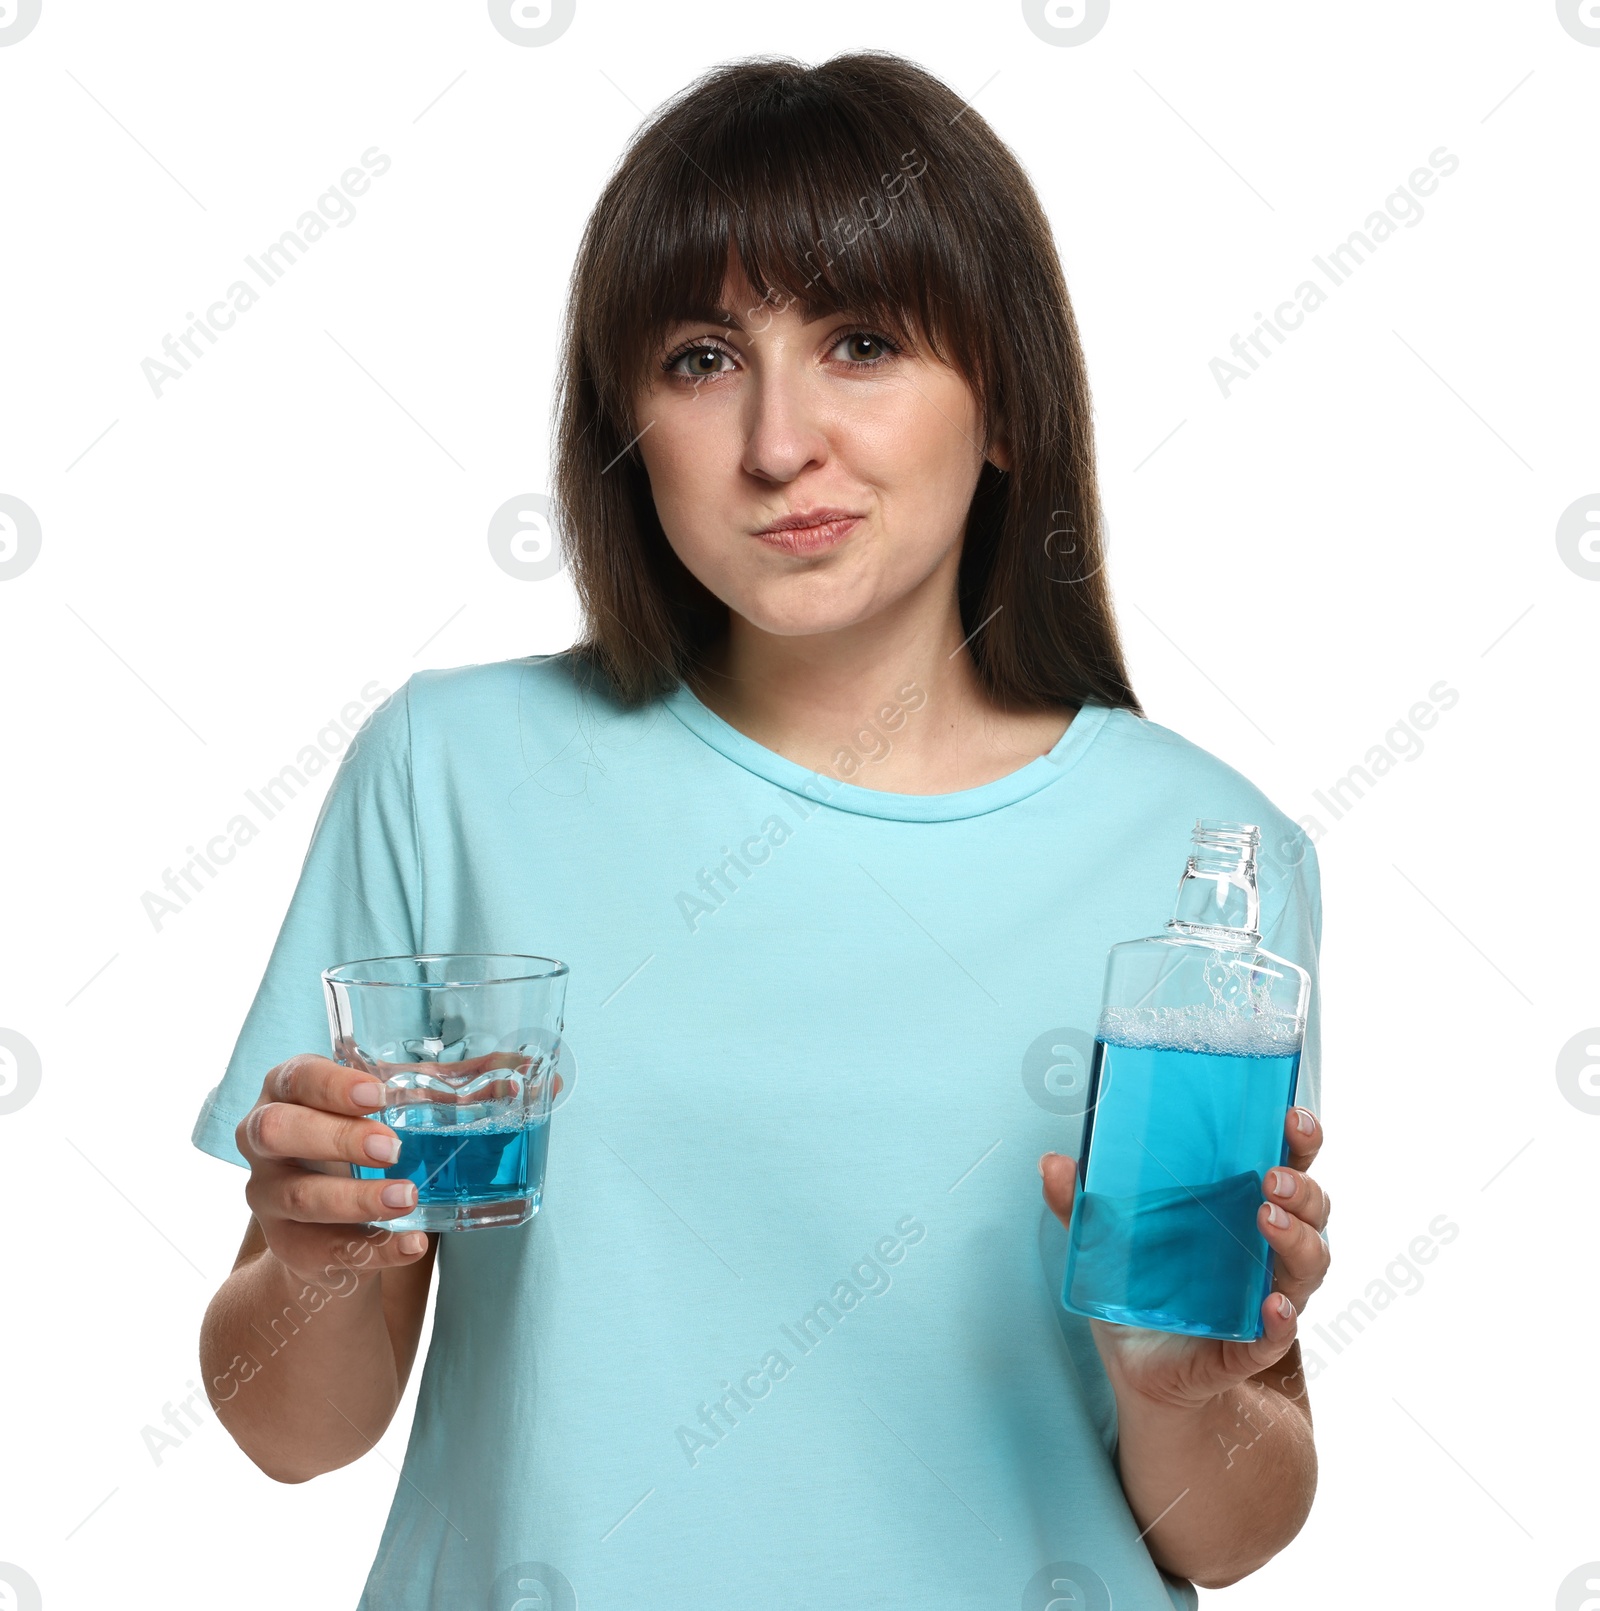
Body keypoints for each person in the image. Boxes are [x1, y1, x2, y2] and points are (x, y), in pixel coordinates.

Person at [192, 49, 1331, 1611]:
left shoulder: (1209, 854)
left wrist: (1190, 1385)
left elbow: (1225, 1532)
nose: (780, 441)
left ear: (1003, 404)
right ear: (625, 426)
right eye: (701, 359)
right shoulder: (452, 771)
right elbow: (293, 1435)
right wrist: (312, 1264)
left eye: (861, 343)